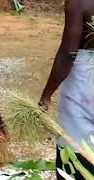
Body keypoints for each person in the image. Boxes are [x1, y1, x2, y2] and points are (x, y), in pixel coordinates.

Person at [39, 0, 94, 179]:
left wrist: (46, 95)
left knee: (74, 144)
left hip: (84, 84)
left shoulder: (79, 2)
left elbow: (68, 55)